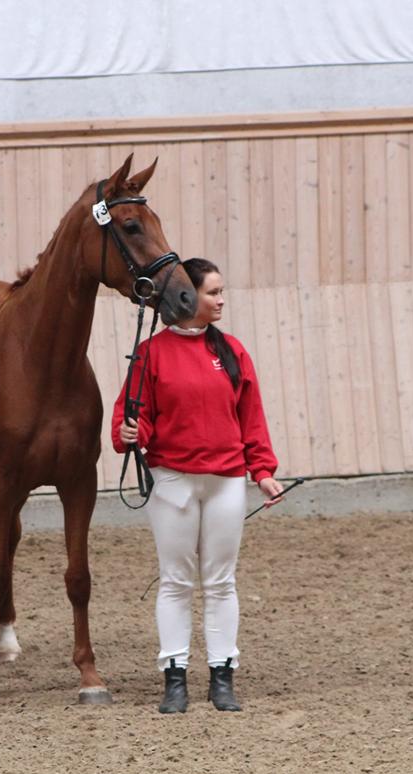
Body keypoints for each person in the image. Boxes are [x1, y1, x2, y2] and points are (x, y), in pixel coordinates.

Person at [111, 257, 285, 714]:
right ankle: (175, 677)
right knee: (175, 581)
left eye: (221, 292)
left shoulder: (233, 351)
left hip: (226, 480)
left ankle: (222, 675)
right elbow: (135, 415)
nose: (221, 300)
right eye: (213, 293)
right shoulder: (150, 354)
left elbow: (250, 416)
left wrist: (262, 472)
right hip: (172, 481)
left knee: (221, 580)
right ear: (189, 296)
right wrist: (129, 433)